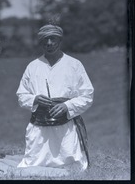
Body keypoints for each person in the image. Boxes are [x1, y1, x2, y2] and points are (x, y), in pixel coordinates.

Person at [16, 23, 94, 171]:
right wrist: (35, 99)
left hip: (66, 127)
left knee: (71, 165)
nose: (49, 43)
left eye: (53, 39)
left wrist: (67, 106)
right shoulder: (33, 66)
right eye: (45, 39)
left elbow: (87, 95)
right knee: (33, 166)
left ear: (60, 40)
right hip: (39, 128)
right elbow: (21, 95)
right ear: (40, 42)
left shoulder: (74, 65)